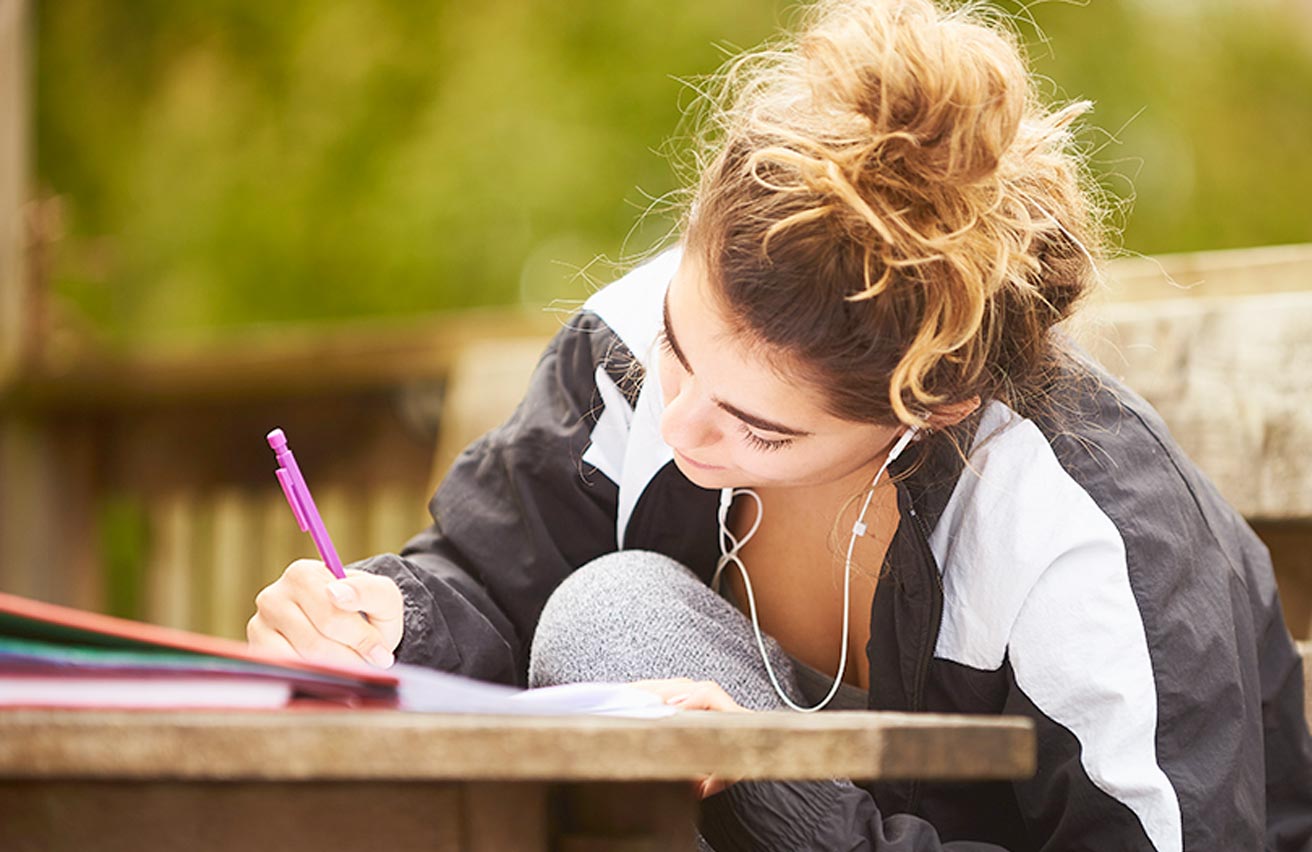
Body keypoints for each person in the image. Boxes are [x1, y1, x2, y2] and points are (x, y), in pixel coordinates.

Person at [247, 0, 1312, 848]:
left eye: (762, 431)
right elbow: (490, 576)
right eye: (679, 345)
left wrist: (789, 801)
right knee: (610, 621)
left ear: (930, 408)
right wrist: (388, 617)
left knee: (612, 630)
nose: (680, 424)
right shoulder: (626, 349)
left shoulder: (1084, 535)